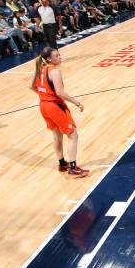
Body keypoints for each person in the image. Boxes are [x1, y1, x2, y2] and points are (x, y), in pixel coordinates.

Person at [30, 47, 89, 177]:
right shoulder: (54, 71)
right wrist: (76, 102)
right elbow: (60, 92)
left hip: (44, 106)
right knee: (73, 135)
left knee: (57, 136)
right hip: (55, 107)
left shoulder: (40, 69)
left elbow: (32, 86)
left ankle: (62, 164)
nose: (60, 58)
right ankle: (73, 168)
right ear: (49, 59)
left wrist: (44, 95)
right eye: (56, 56)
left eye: (59, 55)